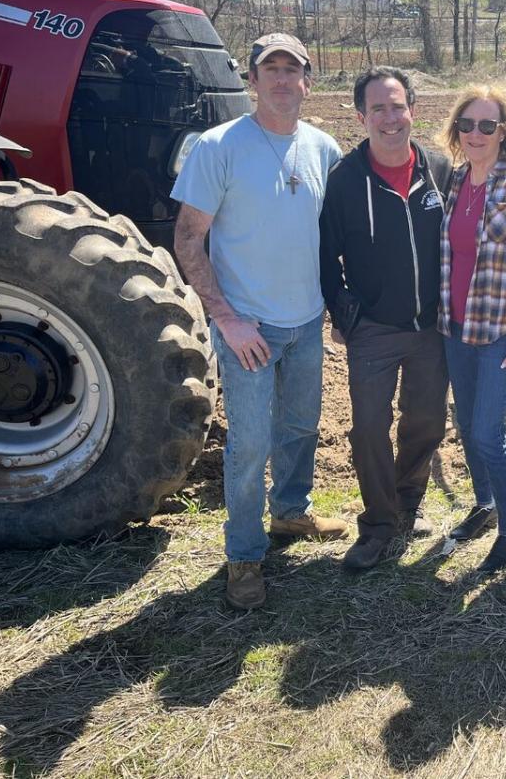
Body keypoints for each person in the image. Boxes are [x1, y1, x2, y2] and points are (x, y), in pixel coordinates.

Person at [172, 32, 348, 610]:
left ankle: (291, 514)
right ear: (251, 81)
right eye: (267, 69)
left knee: (300, 427)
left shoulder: (323, 148)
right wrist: (227, 318)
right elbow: (188, 237)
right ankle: (244, 555)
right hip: (248, 327)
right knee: (248, 446)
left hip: (305, 322)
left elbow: (332, 239)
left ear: (307, 80)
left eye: (290, 69)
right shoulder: (219, 147)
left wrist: (335, 309)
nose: (280, 79)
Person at [319, 67, 452, 571]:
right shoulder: (345, 182)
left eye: (398, 106)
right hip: (373, 328)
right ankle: (377, 523)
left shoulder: (439, 170)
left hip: (432, 329)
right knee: (370, 427)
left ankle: (409, 503)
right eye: (378, 108)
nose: (390, 118)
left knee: (427, 421)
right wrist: (344, 313)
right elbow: (326, 256)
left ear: (412, 109)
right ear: (361, 116)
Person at [437, 86, 506, 574]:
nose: (476, 134)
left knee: (485, 432)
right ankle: (483, 504)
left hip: (499, 332)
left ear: (503, 134)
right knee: (464, 423)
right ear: (457, 131)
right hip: (456, 327)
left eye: (487, 126)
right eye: (468, 125)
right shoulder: (457, 181)